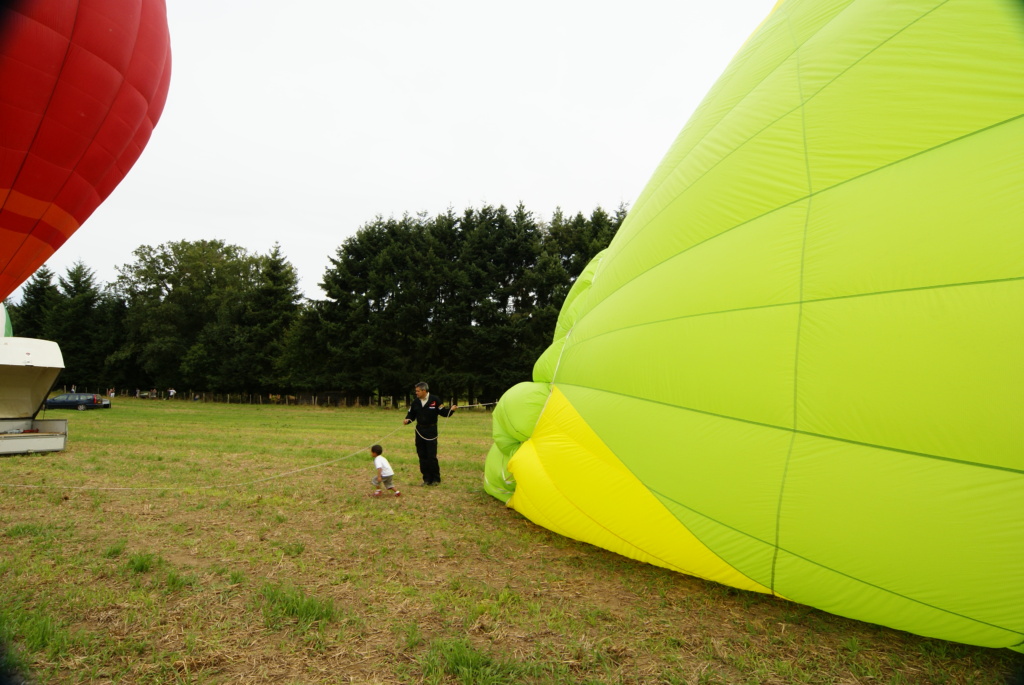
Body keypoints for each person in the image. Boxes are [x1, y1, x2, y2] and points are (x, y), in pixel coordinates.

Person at [403, 382, 457, 485]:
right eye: (416, 391)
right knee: (422, 455)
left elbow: (444, 413)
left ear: (424, 391)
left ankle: (436, 479)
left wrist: (451, 410)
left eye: (418, 391)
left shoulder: (435, 400)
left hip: (431, 430)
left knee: (431, 455)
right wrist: (407, 420)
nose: (416, 393)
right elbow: (411, 415)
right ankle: (426, 479)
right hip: (419, 430)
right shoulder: (415, 402)